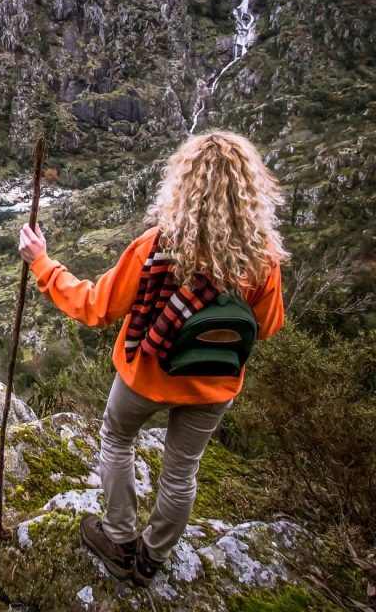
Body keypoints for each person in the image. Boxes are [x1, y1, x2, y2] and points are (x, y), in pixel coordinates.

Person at [18, 130, 286, 587]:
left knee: (117, 438)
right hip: (213, 386)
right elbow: (266, 325)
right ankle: (151, 559)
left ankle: (118, 538)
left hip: (146, 374)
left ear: (181, 186)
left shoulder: (155, 248)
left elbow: (95, 307)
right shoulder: (261, 261)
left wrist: (42, 264)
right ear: (250, 191)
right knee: (181, 472)